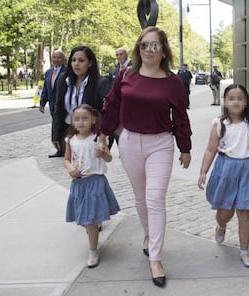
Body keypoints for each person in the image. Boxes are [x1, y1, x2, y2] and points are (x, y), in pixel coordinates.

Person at [98, 26, 192, 288]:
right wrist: (103, 134)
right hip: (129, 142)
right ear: (138, 49)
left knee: (154, 199)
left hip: (160, 144)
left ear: (163, 51)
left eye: (154, 45)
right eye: (143, 45)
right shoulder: (126, 74)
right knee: (140, 198)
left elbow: (181, 118)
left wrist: (185, 147)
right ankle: (150, 235)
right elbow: (112, 105)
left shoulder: (173, 83)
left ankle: (156, 257)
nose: (148, 50)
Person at [198, 84, 249, 268]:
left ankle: (244, 250)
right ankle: (221, 225)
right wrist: (203, 171)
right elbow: (210, 150)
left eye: (240, 98)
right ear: (225, 101)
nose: (236, 101)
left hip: (248, 170)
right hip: (226, 170)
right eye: (231, 98)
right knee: (225, 213)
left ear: (246, 101)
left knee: (245, 211)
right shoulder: (219, 124)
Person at [64, 104, 120, 268]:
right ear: (73, 122)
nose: (81, 122)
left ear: (93, 119)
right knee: (86, 220)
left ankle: (93, 251)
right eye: (77, 119)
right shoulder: (70, 140)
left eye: (85, 118)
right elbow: (66, 159)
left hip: (95, 183)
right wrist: (70, 168)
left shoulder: (98, 139)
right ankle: (92, 239)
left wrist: (102, 152)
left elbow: (109, 159)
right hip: (79, 184)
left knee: (91, 222)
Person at [52, 46, 111, 157]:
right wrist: (55, 134)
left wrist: (103, 135)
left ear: (90, 63)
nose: (76, 64)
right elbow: (58, 108)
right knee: (74, 168)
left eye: (81, 60)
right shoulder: (64, 80)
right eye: (73, 60)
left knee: (89, 167)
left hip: (91, 134)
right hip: (69, 131)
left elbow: (110, 108)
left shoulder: (100, 83)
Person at [39, 50, 66, 158]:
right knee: (57, 126)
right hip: (52, 104)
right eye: (54, 57)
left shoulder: (68, 71)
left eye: (58, 57)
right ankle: (60, 149)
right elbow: (45, 88)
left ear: (63, 59)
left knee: (63, 126)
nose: (56, 59)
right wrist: (42, 103)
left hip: (63, 105)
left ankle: (64, 149)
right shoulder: (48, 72)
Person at [107, 47, 132, 149]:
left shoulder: (134, 67)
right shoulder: (115, 71)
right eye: (117, 55)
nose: (119, 57)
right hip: (117, 105)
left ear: (126, 54)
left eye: (121, 54)